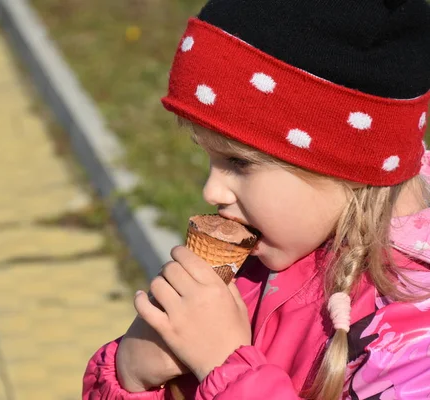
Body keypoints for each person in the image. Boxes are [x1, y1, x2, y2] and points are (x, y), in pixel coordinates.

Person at [83, 0, 430, 398]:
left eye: (239, 162)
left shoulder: (415, 343)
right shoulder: (263, 260)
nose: (211, 192)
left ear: (348, 161)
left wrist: (226, 366)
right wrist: (130, 375)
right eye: (210, 158)